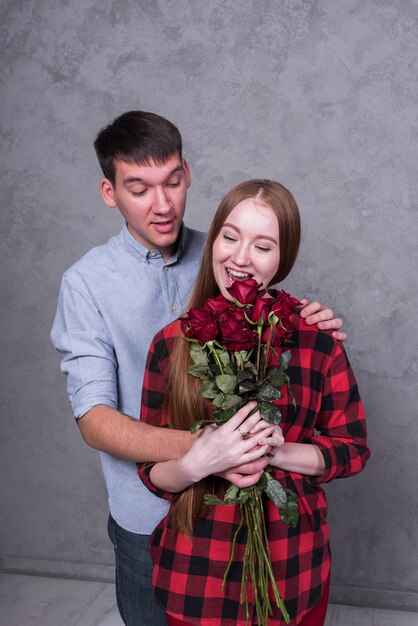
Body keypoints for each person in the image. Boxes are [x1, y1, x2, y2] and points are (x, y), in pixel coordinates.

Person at [50, 111, 347, 626]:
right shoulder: (86, 284)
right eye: (138, 188)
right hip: (150, 514)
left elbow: (273, 311)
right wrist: (210, 450)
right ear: (109, 192)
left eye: (172, 182)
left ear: (187, 174)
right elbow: (94, 418)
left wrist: (308, 318)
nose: (161, 205)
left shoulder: (226, 252)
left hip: (247, 519)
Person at [137, 179, 370, 626]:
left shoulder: (317, 341)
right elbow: (152, 474)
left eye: (263, 246)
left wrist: (275, 450)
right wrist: (198, 461)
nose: (240, 257)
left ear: (283, 259)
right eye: (229, 236)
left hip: (292, 571)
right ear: (214, 242)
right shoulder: (171, 345)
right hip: (197, 576)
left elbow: (354, 449)